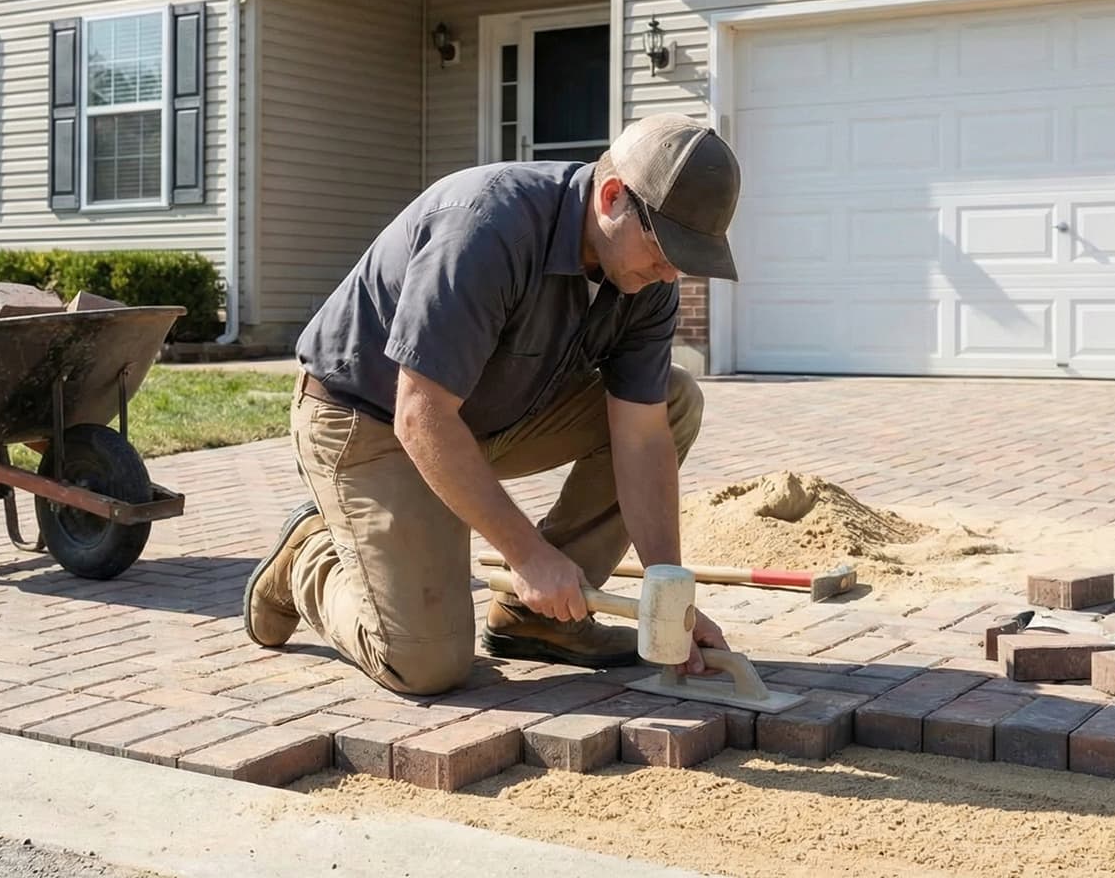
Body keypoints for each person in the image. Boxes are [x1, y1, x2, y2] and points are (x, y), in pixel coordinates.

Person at [241, 112, 743, 696]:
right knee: (424, 664)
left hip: (480, 416)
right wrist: (528, 555)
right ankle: (310, 557)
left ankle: (539, 618)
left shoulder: (645, 280)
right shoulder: (486, 227)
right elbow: (420, 414)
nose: (671, 271)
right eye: (665, 247)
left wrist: (670, 597)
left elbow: (642, 436)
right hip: (368, 420)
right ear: (612, 198)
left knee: (672, 400)